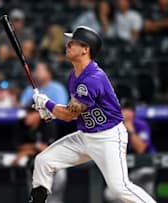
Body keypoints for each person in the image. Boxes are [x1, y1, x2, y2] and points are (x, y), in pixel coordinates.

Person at [29, 26, 156, 203]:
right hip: (86, 136)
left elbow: (69, 115)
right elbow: (73, 110)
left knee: (119, 188)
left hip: (108, 137)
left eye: (73, 42)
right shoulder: (74, 76)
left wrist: (47, 104)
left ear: (85, 49)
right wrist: (51, 113)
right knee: (44, 161)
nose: (68, 44)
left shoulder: (93, 78)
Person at [104, 100, 156, 202]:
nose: (123, 113)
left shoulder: (141, 125)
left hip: (144, 167)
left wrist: (130, 130)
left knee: (146, 195)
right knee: (110, 194)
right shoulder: (113, 127)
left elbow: (141, 149)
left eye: (127, 110)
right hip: (127, 171)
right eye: (121, 110)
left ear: (133, 113)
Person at [12, 106, 66, 203]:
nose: (27, 116)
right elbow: (19, 146)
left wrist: (29, 149)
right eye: (27, 113)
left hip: (55, 165)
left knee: (55, 197)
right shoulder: (21, 124)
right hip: (35, 167)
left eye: (30, 113)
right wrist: (35, 147)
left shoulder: (47, 123)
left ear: (38, 115)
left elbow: (47, 149)